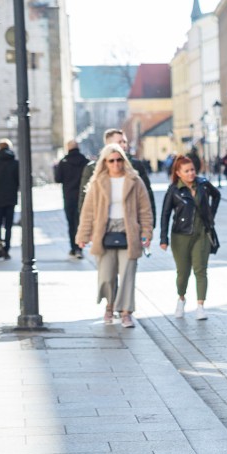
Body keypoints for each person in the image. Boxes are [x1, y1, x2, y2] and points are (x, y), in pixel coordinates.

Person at [76, 144, 153, 328]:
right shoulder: (98, 182)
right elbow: (88, 212)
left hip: (129, 230)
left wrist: (146, 232)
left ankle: (126, 312)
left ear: (124, 161)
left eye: (119, 160)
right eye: (111, 161)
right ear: (105, 162)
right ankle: (109, 306)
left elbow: (145, 210)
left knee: (127, 274)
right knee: (106, 275)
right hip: (104, 231)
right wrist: (83, 235)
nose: (116, 164)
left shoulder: (135, 181)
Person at [160, 155, 221, 320]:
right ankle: (181, 299)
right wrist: (163, 238)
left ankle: (200, 307)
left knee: (200, 270)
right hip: (180, 236)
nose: (191, 173)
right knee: (183, 273)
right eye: (186, 171)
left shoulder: (203, 184)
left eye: (192, 169)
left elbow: (217, 195)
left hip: (202, 234)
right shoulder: (173, 190)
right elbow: (165, 214)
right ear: (178, 173)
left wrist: (211, 215)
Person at [78, 129, 155, 221]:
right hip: (101, 223)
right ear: (108, 145)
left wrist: (150, 222)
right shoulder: (92, 168)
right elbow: (84, 200)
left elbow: (147, 195)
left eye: (125, 142)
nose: (124, 145)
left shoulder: (136, 165)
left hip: (131, 222)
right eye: (119, 142)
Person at [54, 140, 89, 259]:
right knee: (80, 223)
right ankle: (80, 247)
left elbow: (57, 179)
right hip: (83, 197)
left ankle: (74, 248)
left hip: (69, 197)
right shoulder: (85, 161)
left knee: (71, 224)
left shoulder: (63, 162)